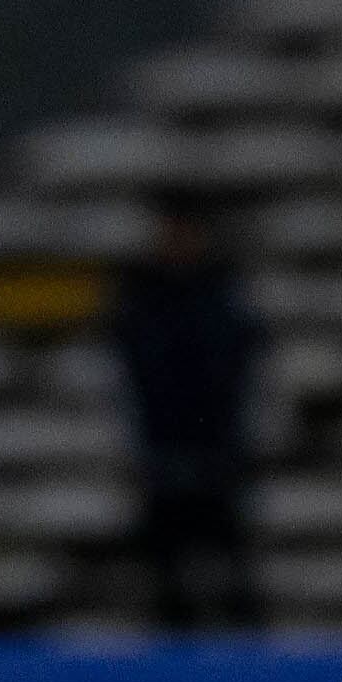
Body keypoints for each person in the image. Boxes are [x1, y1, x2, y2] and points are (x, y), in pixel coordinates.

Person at [106, 193, 264, 630]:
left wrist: (236, 443)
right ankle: (173, 659)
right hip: (161, 449)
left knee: (232, 569)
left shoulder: (224, 295)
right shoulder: (139, 300)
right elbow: (126, 379)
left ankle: (249, 659)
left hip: (218, 451)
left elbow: (246, 374)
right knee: (166, 573)